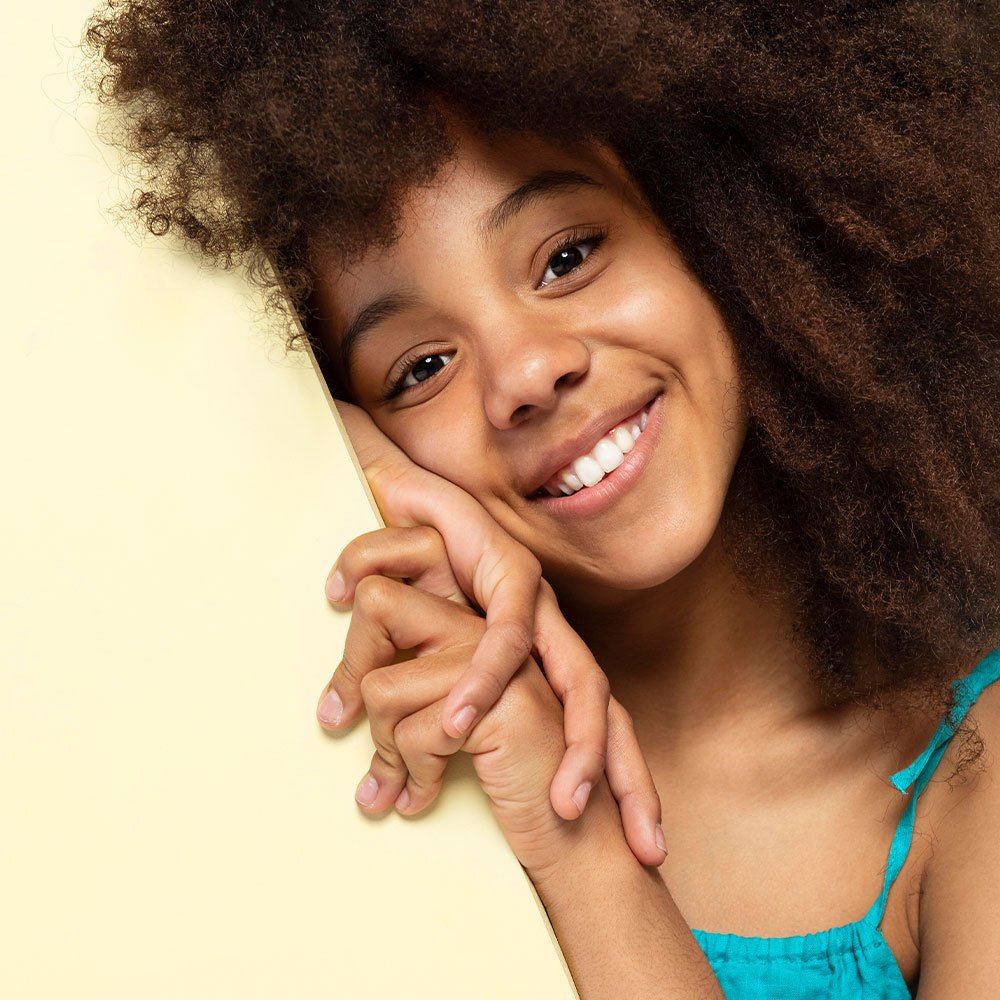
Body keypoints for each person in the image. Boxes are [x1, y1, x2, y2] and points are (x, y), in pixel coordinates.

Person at [84, 2, 1000, 996]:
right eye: (421, 366)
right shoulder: (368, 747)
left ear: (723, 223)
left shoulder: (973, 772)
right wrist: (326, 459)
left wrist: (585, 853)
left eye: (567, 256)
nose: (523, 372)